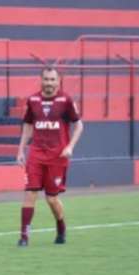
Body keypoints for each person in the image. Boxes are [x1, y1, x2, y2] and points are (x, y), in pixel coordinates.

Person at [16, 66, 84, 246]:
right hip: (36, 154)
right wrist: (21, 149)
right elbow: (28, 126)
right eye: (46, 79)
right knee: (30, 193)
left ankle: (61, 228)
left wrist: (70, 146)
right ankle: (24, 237)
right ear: (41, 80)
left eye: (52, 79)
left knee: (52, 199)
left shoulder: (66, 100)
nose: (49, 83)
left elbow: (79, 126)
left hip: (57, 156)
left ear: (58, 81)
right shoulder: (33, 100)